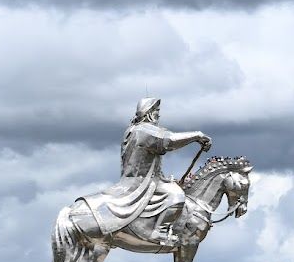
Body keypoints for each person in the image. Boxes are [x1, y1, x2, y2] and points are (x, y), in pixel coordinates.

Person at [81, 97, 210, 246]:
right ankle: (158, 232)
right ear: (149, 113)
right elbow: (170, 140)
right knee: (176, 194)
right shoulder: (145, 131)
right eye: (156, 111)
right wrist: (197, 135)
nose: (158, 115)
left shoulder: (133, 130)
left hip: (136, 179)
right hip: (142, 181)